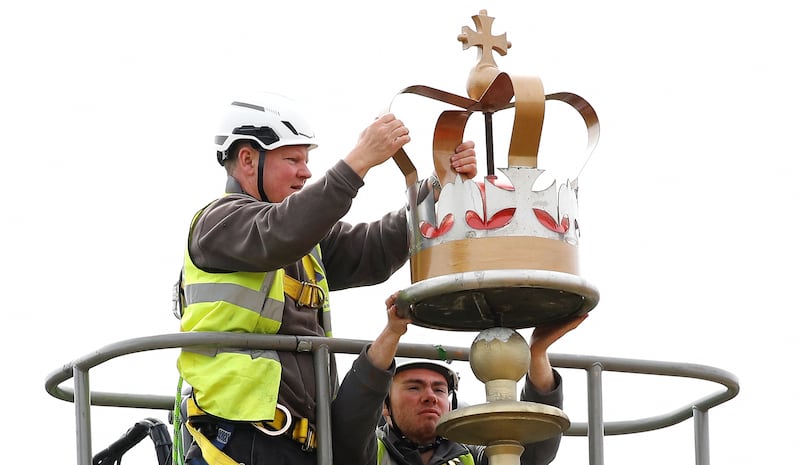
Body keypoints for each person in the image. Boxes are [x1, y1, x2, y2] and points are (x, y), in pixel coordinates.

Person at [174, 92, 478, 465]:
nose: (305, 171)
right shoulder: (219, 224)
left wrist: (438, 188)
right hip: (238, 442)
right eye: (293, 159)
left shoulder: (305, 240)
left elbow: (372, 249)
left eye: (307, 160)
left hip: (300, 448)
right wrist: (359, 161)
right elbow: (280, 231)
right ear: (248, 160)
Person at [332, 292, 587, 465]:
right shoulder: (372, 452)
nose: (430, 396)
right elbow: (355, 412)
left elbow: (532, 450)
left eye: (439, 389)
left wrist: (537, 352)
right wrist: (393, 331)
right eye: (413, 387)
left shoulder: (470, 456)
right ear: (385, 407)